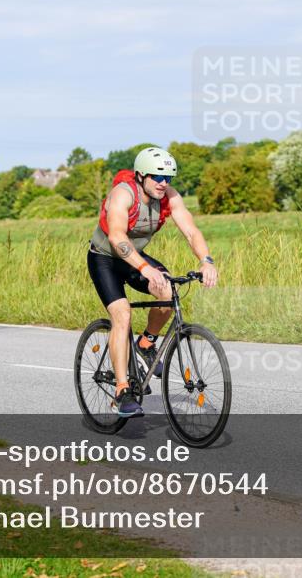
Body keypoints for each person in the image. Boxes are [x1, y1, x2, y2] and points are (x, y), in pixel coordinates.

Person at [87, 147, 218, 417]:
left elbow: (191, 231)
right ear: (140, 175)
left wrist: (206, 261)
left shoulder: (169, 196)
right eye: (157, 177)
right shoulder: (123, 194)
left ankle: (146, 344)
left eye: (168, 178)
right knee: (122, 315)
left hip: (134, 258)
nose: (163, 183)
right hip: (105, 259)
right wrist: (145, 268)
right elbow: (117, 237)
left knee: (168, 291)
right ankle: (122, 390)